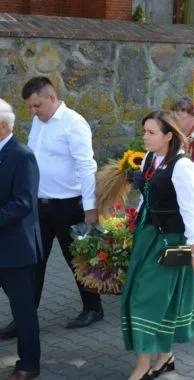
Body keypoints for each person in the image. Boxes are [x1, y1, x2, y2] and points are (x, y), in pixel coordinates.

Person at [0, 77, 101, 341]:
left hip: (69, 206)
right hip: (38, 206)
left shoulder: (74, 123)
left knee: (76, 261)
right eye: (31, 107)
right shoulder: (38, 122)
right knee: (34, 262)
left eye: (37, 105)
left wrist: (91, 209)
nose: (33, 111)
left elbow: (86, 167)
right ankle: (25, 317)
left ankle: (93, 307)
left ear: (52, 98)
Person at [121, 111, 194, 380]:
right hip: (148, 237)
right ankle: (164, 356)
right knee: (153, 298)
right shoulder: (151, 159)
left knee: (145, 300)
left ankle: (143, 364)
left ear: (168, 136)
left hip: (170, 242)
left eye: (151, 133)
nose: (145, 137)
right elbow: (147, 200)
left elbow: (191, 211)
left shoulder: (182, 166)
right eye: (144, 131)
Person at [0, 99, 42, 380]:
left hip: (14, 247)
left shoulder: (22, 155)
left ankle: (28, 365)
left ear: (2, 126)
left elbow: (24, 203)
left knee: (23, 310)